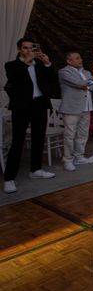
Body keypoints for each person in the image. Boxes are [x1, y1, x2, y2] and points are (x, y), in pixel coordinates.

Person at [3, 39, 56, 193]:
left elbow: (52, 80)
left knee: (38, 138)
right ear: (19, 49)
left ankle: (36, 170)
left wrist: (47, 64)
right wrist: (26, 63)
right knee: (17, 141)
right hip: (21, 107)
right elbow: (15, 79)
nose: (28, 51)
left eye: (31, 48)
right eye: (25, 48)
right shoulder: (11, 65)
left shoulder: (39, 64)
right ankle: (9, 178)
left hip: (39, 104)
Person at [58, 51, 93, 171]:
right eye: (76, 58)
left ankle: (79, 156)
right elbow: (79, 83)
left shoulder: (86, 72)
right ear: (69, 61)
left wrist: (89, 83)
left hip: (86, 107)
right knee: (70, 135)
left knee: (83, 133)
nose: (80, 60)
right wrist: (89, 83)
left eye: (80, 57)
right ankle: (68, 159)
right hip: (71, 108)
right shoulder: (64, 72)